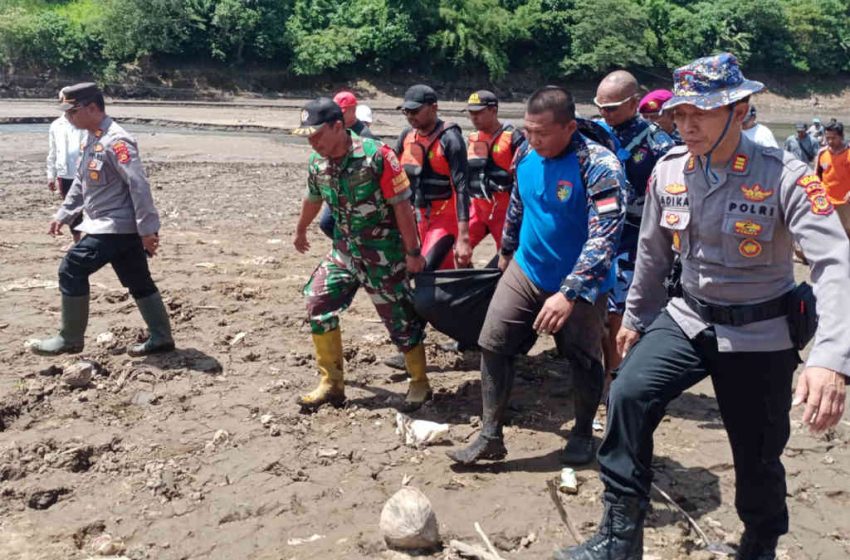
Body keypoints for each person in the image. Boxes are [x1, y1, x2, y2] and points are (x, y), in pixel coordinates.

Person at [556, 53, 850, 560]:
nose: (685, 126)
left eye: (700, 114)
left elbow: (835, 264)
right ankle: (620, 536)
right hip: (688, 318)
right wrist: (635, 320)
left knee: (757, 455)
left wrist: (829, 359)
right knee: (627, 394)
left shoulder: (786, 177)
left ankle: (758, 543)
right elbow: (651, 253)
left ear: (739, 110)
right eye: (679, 115)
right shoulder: (669, 172)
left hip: (762, 332)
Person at [446, 86, 627, 466]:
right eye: (528, 130)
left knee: (582, 357)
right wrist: (507, 250)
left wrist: (570, 293)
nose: (532, 139)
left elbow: (605, 238)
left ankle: (581, 434)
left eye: (542, 132)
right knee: (494, 343)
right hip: (527, 268)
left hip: (581, 281)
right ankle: (490, 435)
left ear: (569, 127)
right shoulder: (526, 151)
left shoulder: (599, 165)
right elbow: (519, 201)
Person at [291, 98, 432, 412]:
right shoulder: (317, 161)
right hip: (344, 252)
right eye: (307, 137)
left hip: (383, 254)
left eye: (316, 135)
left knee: (399, 319)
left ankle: (419, 381)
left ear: (338, 126)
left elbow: (402, 206)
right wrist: (301, 228)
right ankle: (331, 383)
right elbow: (313, 197)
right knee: (317, 300)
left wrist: (412, 253)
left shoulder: (377, 156)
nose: (312, 142)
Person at [30, 83, 175, 358]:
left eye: (72, 111)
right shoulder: (91, 138)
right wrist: (63, 213)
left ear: (92, 108)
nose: (68, 117)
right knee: (138, 279)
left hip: (115, 226)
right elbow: (82, 182)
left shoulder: (116, 140)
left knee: (71, 267)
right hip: (107, 224)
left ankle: (70, 338)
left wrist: (148, 230)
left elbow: (139, 186)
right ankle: (162, 337)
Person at [594, 71, 676, 384]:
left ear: (632, 103)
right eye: (600, 106)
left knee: (620, 312)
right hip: (599, 231)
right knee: (596, 309)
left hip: (635, 237)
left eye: (612, 107)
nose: (605, 113)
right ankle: (604, 369)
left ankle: (616, 379)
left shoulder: (659, 145)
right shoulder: (594, 132)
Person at [395, 84, 471, 270]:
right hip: (417, 215)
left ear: (434, 107)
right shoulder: (406, 136)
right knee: (432, 269)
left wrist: (464, 236)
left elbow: (461, 187)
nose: (410, 116)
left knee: (425, 268)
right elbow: (391, 174)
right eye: (407, 111)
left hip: (445, 218)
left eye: (415, 111)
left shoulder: (450, 138)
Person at [465, 90, 525, 251]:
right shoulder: (472, 138)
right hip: (477, 209)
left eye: (478, 113)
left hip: (504, 210)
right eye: (471, 113)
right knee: (459, 251)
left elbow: (526, 176)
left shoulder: (513, 137)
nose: (474, 117)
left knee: (506, 257)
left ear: (493, 111)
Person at [318, 92, 378, 239]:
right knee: (327, 224)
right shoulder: (336, 128)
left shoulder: (364, 135)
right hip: (337, 187)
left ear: (353, 109)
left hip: (357, 189)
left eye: (342, 112)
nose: (338, 115)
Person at [47, 87, 86, 245]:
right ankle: (77, 241)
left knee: (91, 206)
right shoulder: (56, 125)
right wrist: (51, 175)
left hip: (83, 173)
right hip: (64, 173)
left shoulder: (82, 123)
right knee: (72, 209)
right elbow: (53, 152)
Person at [817, 121, 850, 238]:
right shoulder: (822, 153)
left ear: (842, 136)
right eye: (827, 138)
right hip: (826, 201)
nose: (830, 141)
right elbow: (817, 177)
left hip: (845, 202)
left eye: (834, 138)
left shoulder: (848, 153)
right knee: (828, 232)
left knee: (847, 231)